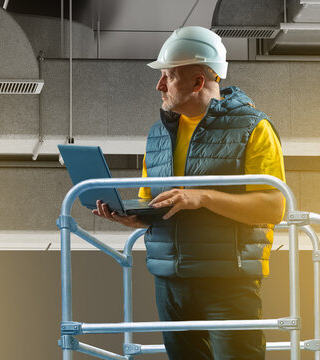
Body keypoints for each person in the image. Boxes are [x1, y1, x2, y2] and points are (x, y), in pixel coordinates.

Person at [93, 26, 285, 360]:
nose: (159, 85)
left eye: (168, 75)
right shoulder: (158, 134)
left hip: (227, 278)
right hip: (170, 282)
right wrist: (134, 218)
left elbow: (273, 206)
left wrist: (203, 197)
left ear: (198, 81)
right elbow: (155, 201)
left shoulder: (254, 127)